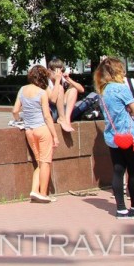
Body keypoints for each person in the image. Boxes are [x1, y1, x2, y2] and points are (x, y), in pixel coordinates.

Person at [95, 57, 134, 219]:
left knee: (118, 171)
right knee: (133, 172)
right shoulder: (121, 88)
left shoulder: (102, 91)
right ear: (117, 71)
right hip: (128, 135)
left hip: (113, 136)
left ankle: (120, 208)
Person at [10, 65, 59, 203]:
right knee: (45, 162)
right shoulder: (42, 92)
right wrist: (55, 135)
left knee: (38, 161)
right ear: (43, 77)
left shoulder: (22, 89)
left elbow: (15, 110)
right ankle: (43, 193)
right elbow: (47, 116)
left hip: (29, 130)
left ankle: (34, 191)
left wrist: (18, 120)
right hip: (42, 129)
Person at [48, 58, 85, 133]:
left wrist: (68, 79)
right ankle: (62, 119)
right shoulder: (46, 82)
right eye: (56, 71)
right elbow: (53, 100)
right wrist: (57, 81)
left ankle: (67, 119)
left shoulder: (62, 78)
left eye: (61, 71)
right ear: (49, 71)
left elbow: (82, 90)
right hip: (51, 110)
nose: (59, 74)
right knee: (60, 88)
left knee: (73, 90)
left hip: (62, 108)